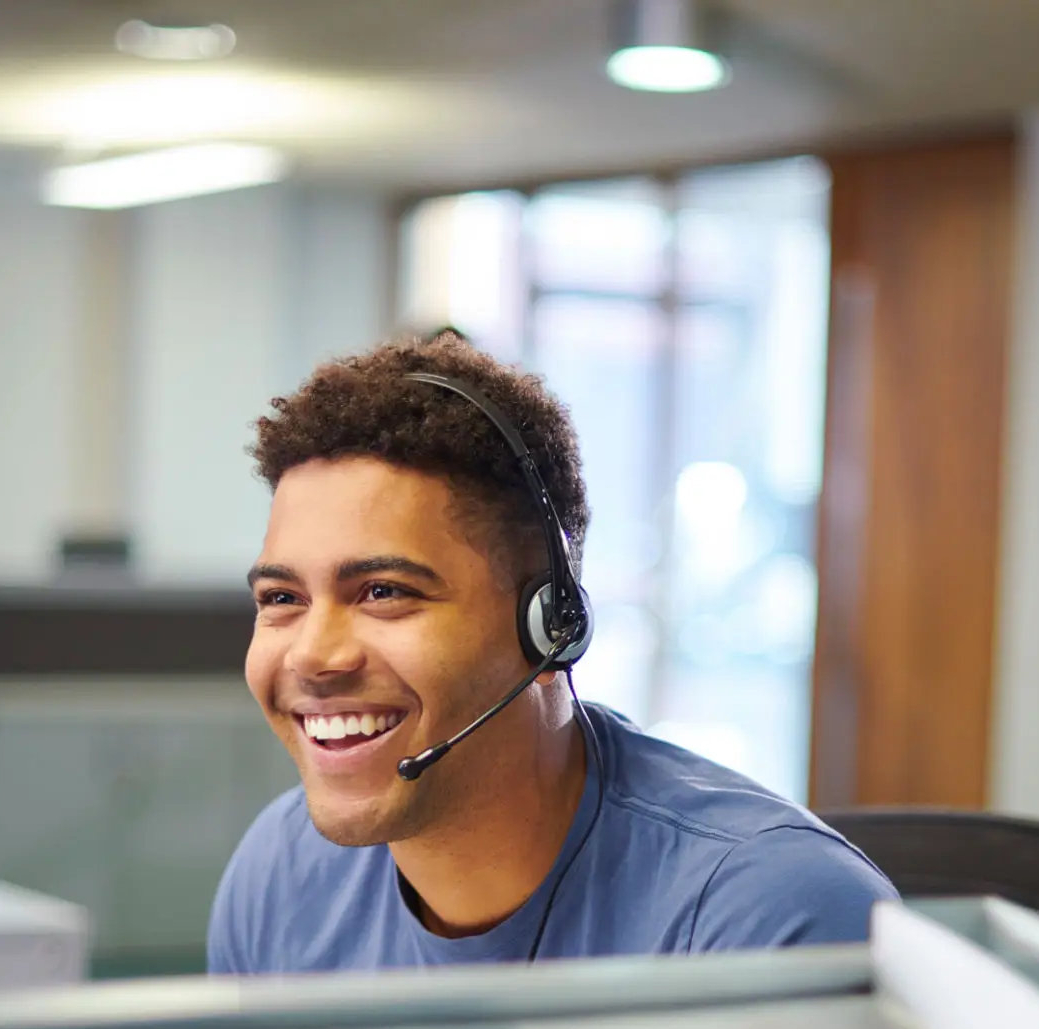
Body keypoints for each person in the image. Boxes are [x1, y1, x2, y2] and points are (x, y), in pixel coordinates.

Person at [208, 334, 895, 973]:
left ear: (550, 625)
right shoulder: (281, 874)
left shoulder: (767, 917)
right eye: (281, 599)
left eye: (384, 591)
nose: (314, 656)